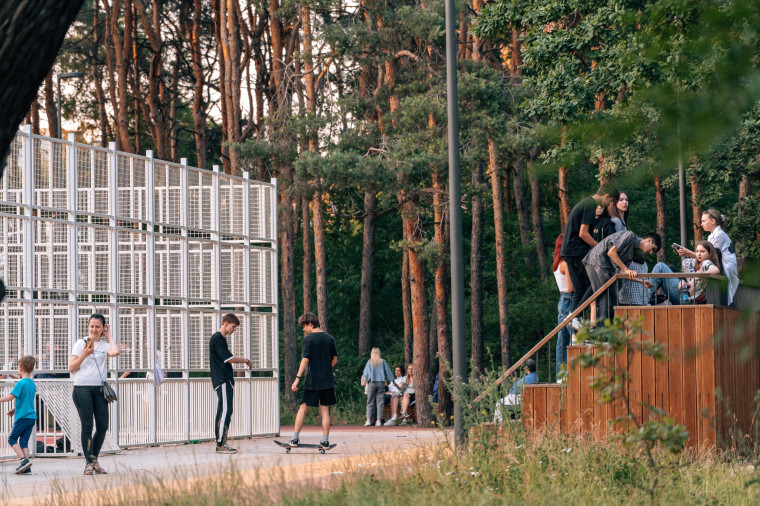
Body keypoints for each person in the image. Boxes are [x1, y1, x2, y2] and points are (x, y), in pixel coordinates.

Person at [561, 182, 620, 328]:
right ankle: (576, 315)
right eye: (610, 202)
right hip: (577, 250)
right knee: (596, 283)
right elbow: (583, 233)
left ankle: (574, 317)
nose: (608, 206)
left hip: (568, 250)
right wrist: (600, 247)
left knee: (580, 289)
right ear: (606, 196)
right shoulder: (589, 205)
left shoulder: (585, 204)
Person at [68, 313, 120, 475]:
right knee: (87, 425)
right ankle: (88, 463)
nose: (94, 329)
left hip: (99, 389)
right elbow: (72, 368)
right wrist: (85, 354)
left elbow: (115, 352)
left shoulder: (104, 346)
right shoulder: (80, 343)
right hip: (82, 388)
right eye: (92, 326)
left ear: (103, 328)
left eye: (98, 327)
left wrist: (109, 335)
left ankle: (94, 458)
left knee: (103, 425)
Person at [583, 231, 660, 324]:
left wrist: (640, 281)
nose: (651, 252)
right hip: (596, 263)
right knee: (604, 300)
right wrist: (627, 269)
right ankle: (600, 335)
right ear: (649, 240)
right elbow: (611, 253)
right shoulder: (630, 236)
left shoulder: (632, 251)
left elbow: (621, 270)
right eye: (652, 248)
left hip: (607, 272)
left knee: (613, 302)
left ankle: (608, 332)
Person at [290, 313, 338, 448]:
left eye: (304, 327)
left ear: (310, 324)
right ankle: (325, 440)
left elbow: (305, 359)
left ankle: (294, 438)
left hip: (313, 380)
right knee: (325, 410)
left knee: (303, 407)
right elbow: (334, 359)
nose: (304, 330)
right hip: (328, 380)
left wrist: (297, 378)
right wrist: (326, 368)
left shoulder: (309, 339)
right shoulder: (330, 338)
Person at [209, 313, 253, 454]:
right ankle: (220, 445)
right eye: (233, 327)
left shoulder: (221, 339)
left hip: (224, 380)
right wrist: (246, 360)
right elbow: (229, 359)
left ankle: (222, 442)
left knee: (224, 411)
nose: (234, 330)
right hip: (222, 380)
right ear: (226, 323)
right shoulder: (217, 339)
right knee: (226, 411)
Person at [677, 209, 739, 305]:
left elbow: (709, 256)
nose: (701, 224)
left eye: (703, 221)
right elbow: (704, 255)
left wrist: (688, 253)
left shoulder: (719, 235)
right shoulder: (711, 236)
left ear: (713, 221)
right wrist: (689, 254)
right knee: (686, 262)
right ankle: (691, 286)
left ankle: (695, 287)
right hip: (713, 262)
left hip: (723, 266)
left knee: (703, 263)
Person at [0, 356, 37, 474]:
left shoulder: (20, 383)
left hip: (22, 418)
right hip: (31, 418)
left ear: (20, 368)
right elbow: (26, 401)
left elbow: (11, 396)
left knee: (11, 439)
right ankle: (27, 468)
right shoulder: (31, 383)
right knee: (24, 442)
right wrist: (14, 409)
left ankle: (23, 460)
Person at [612, 192, 650, 306]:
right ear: (614, 203)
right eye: (621, 200)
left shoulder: (622, 221)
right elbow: (617, 246)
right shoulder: (616, 221)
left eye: (626, 200)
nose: (625, 202)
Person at [552, 234, 574, 379]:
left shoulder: (557, 263)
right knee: (574, 337)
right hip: (569, 299)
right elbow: (571, 287)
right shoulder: (565, 264)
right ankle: (570, 374)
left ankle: (561, 376)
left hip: (562, 299)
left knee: (562, 341)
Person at [362, 347, 393, 427]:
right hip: (381, 383)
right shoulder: (382, 361)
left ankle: (368, 420)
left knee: (370, 402)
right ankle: (378, 420)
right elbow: (388, 371)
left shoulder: (369, 362)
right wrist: (391, 379)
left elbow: (365, 373)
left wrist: (368, 379)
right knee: (380, 402)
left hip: (372, 383)